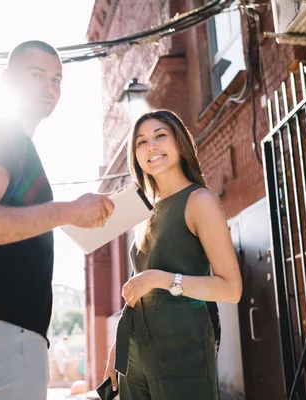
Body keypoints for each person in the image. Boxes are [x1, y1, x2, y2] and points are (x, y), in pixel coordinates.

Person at [0, 40, 115, 400]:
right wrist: (69, 211)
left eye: (56, 79)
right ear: (8, 80)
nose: (49, 87)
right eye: (37, 75)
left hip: (9, 335)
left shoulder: (21, 144)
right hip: (3, 332)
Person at [103, 110, 242, 400]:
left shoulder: (200, 201)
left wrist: (157, 278)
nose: (150, 146)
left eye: (159, 136)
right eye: (140, 142)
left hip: (182, 345)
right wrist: (118, 349)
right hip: (135, 351)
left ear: (179, 143)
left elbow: (231, 289)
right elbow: (135, 290)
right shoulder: (144, 213)